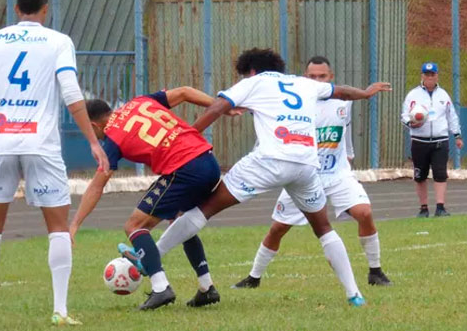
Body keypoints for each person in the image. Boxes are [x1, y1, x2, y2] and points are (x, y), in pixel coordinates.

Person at [150, 48, 391, 306]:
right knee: (323, 228)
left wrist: (189, 135)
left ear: (252, 71)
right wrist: (366, 93)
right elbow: (341, 91)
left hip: (270, 160)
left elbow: (219, 106)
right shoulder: (303, 83)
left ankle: (149, 257)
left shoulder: (254, 82)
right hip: (306, 165)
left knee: (204, 208)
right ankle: (354, 294)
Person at [0, 0, 109, 326]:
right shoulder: (58, 41)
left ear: (16, 9)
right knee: (57, 226)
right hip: (40, 144)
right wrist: (93, 140)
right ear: (45, 9)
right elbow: (71, 91)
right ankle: (60, 310)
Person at [68, 87, 239, 310]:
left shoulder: (112, 139)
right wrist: (219, 106)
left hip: (185, 169)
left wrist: (74, 225)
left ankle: (160, 288)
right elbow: (185, 92)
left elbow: (96, 186)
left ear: (93, 126)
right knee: (180, 220)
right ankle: (207, 288)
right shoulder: (139, 102)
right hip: (208, 161)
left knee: (134, 226)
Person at [231, 56, 392, 290]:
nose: (317, 80)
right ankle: (253, 277)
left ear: (331, 77)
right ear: (305, 78)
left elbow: (344, 132)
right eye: (312, 76)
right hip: (304, 175)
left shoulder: (343, 103)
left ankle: (375, 271)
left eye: (322, 76)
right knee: (278, 228)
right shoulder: (298, 102)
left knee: (364, 213)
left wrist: (348, 153)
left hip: (337, 174)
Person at [401, 62, 463, 218]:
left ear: (437, 76)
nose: (429, 77)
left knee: (440, 174)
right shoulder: (413, 95)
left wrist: (457, 135)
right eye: (426, 75)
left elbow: (451, 116)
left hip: (440, 140)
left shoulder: (443, 95)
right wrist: (411, 123)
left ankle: (440, 207)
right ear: (422, 76)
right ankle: (423, 208)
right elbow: (404, 115)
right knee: (420, 175)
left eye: (432, 75)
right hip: (419, 140)